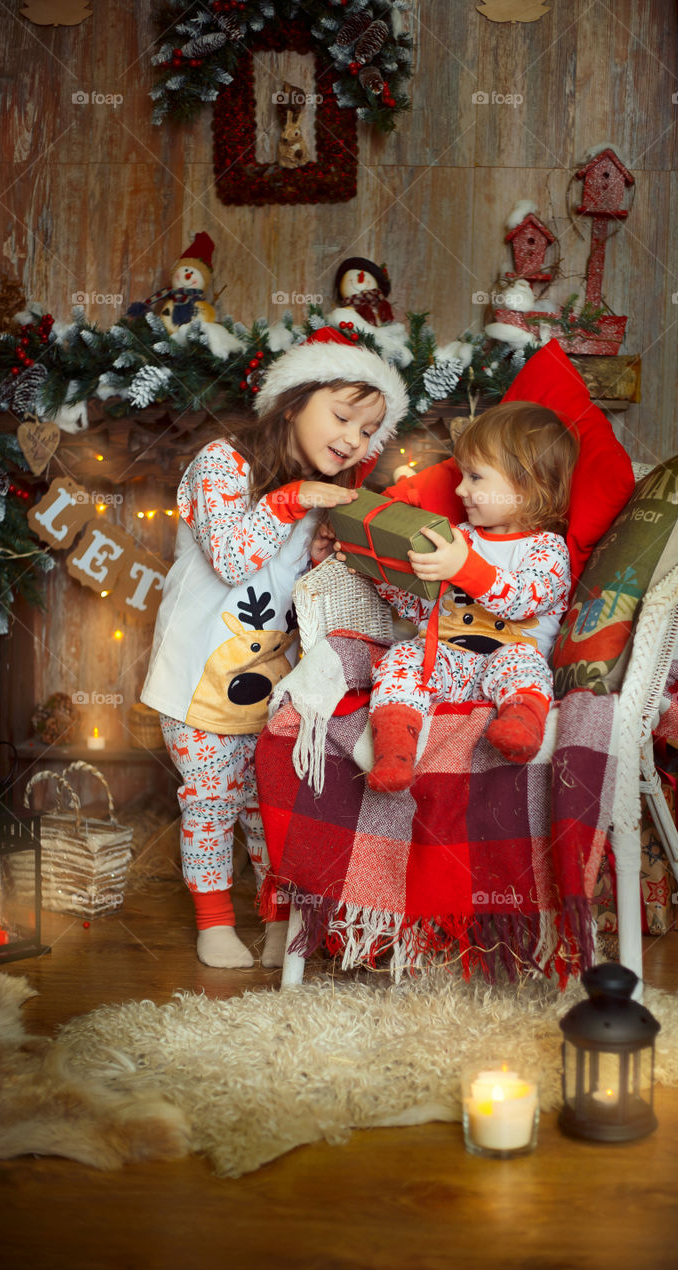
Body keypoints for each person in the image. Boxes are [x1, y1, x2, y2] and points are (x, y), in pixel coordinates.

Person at [140, 328, 408, 967]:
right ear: (293, 401)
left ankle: (278, 918)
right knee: (210, 800)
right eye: (342, 416)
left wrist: (322, 553)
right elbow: (234, 559)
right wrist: (293, 502)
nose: (353, 439)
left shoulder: (319, 493)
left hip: (275, 680)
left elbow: (306, 593)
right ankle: (212, 923)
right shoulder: (222, 464)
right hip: (195, 676)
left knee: (270, 804)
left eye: (369, 430)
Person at [359, 400, 577, 792]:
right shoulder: (457, 537)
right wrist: (382, 573)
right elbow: (423, 608)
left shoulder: (547, 549)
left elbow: (524, 598)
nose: (460, 489)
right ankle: (394, 751)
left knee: (523, 662)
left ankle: (521, 725)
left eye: (476, 477)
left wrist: (464, 568)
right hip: (446, 660)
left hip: (505, 663)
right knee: (403, 657)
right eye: (462, 475)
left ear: (527, 486)